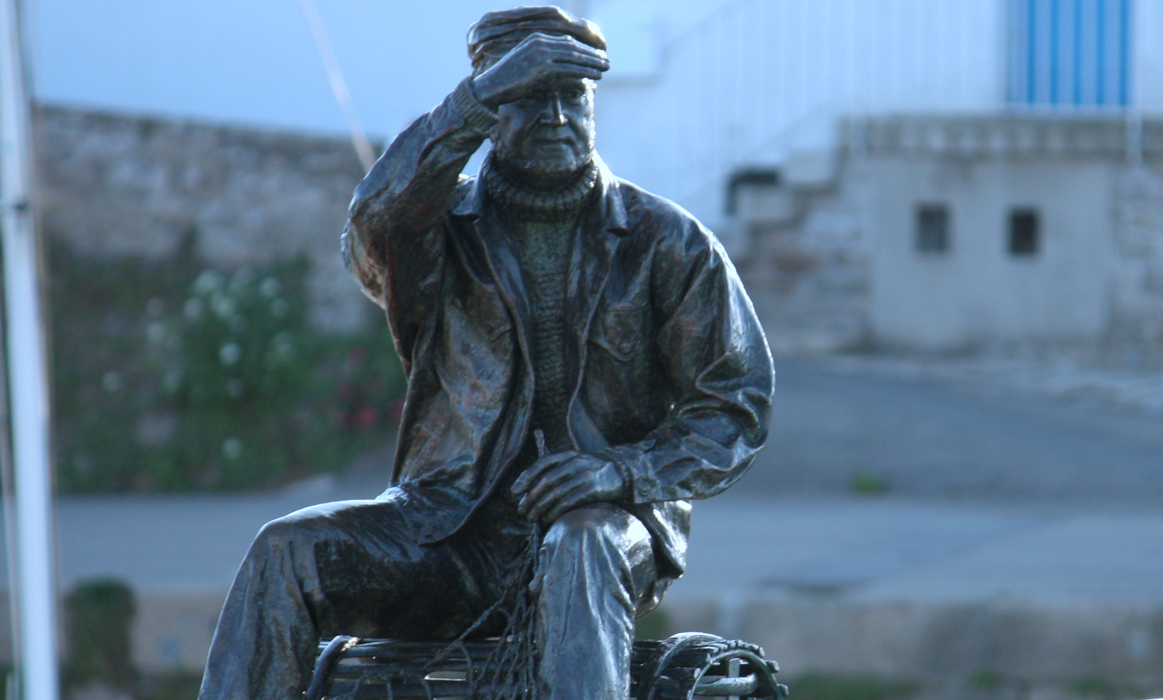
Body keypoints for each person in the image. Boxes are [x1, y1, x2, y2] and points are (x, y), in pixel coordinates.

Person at [196, 7, 774, 700]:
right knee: (285, 551)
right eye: (528, 98)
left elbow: (735, 406)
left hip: (605, 532)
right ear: (490, 109)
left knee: (580, 543)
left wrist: (618, 473)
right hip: (450, 533)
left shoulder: (669, 244)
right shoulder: (434, 235)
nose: (557, 116)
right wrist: (468, 105)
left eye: (573, 97)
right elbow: (373, 224)